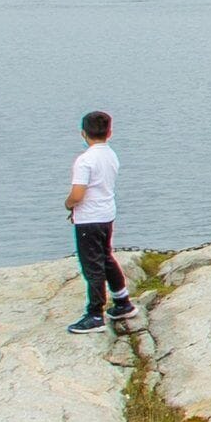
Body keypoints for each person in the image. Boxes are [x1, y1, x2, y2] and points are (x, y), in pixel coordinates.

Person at [66, 110, 132, 334]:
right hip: (106, 214)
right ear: (109, 133)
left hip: (88, 219)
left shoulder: (85, 160)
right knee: (106, 257)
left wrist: (68, 204)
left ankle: (95, 313)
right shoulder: (110, 155)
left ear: (83, 133)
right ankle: (122, 301)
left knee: (92, 265)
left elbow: (78, 194)